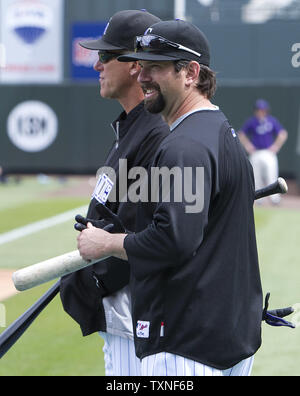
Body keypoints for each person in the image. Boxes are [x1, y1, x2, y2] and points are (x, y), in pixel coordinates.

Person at [76, 19, 264, 376]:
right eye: (141, 66)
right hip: (223, 337)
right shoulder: (218, 131)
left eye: (156, 67)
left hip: (185, 344)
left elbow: (175, 238)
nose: (143, 76)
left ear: (191, 72)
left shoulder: (185, 145)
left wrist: (106, 243)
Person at [59, 10, 169, 376]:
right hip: (123, 314)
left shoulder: (154, 133)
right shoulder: (131, 128)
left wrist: (86, 282)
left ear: (136, 65)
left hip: (136, 315)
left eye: (106, 56)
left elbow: (141, 233)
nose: (97, 65)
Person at [238, 99, 288, 204]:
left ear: (266, 111)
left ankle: (275, 199)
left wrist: (276, 146)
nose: (261, 112)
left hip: (268, 152)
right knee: (255, 176)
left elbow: (283, 133)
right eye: (259, 110)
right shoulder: (252, 121)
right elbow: (241, 133)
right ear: (256, 111)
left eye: (263, 110)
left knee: (272, 175)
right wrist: (248, 146)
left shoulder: (271, 121)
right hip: (256, 152)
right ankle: (258, 199)